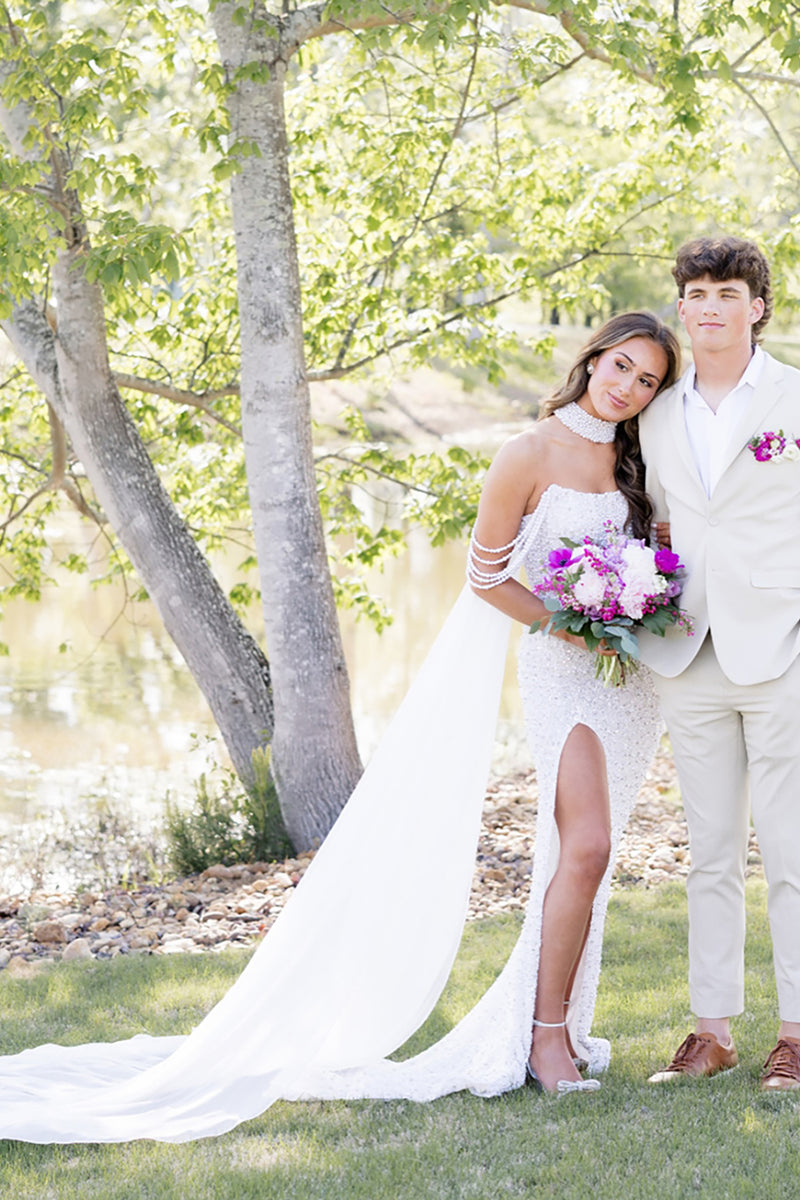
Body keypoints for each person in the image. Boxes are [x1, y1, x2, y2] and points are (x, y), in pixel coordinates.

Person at [0, 313, 679, 1143]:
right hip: (563, 669)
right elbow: (485, 576)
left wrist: (640, 596)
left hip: (627, 678)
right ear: (593, 359)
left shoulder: (642, 459)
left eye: (647, 380)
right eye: (621, 366)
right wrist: (567, 622)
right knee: (587, 847)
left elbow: (667, 556)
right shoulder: (527, 453)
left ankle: (565, 1024)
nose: (628, 387)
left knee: (582, 860)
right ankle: (541, 1042)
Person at [638, 236, 800, 1091]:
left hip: (782, 649)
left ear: (757, 307)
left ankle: (796, 1035)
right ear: (682, 306)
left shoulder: (795, 399)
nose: (709, 307)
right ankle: (712, 1032)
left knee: (790, 850)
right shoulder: (657, 413)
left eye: (727, 293)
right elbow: (657, 521)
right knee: (707, 852)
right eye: (696, 293)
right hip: (687, 647)